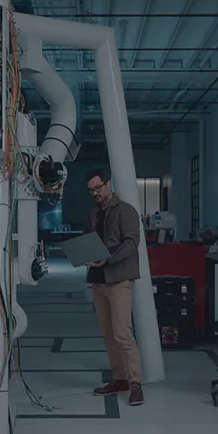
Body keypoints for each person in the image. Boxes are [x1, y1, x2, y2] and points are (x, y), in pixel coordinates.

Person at [84, 168, 145, 406]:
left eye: (98, 188)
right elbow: (87, 240)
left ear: (108, 184)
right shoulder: (92, 215)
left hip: (119, 279)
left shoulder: (127, 211)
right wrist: (87, 256)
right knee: (108, 335)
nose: (96, 193)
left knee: (122, 334)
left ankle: (135, 384)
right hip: (98, 280)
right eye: (91, 191)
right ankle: (119, 379)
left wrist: (107, 260)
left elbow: (132, 243)